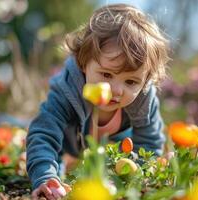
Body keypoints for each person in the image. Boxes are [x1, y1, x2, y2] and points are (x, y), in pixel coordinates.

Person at [27, 3, 170, 200]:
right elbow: (44, 134)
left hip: (118, 151)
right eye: (106, 74)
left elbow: (149, 142)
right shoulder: (68, 90)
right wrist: (46, 176)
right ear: (84, 63)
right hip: (69, 143)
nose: (116, 90)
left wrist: (133, 179)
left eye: (131, 81)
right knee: (54, 165)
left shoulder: (144, 99)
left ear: (145, 81)